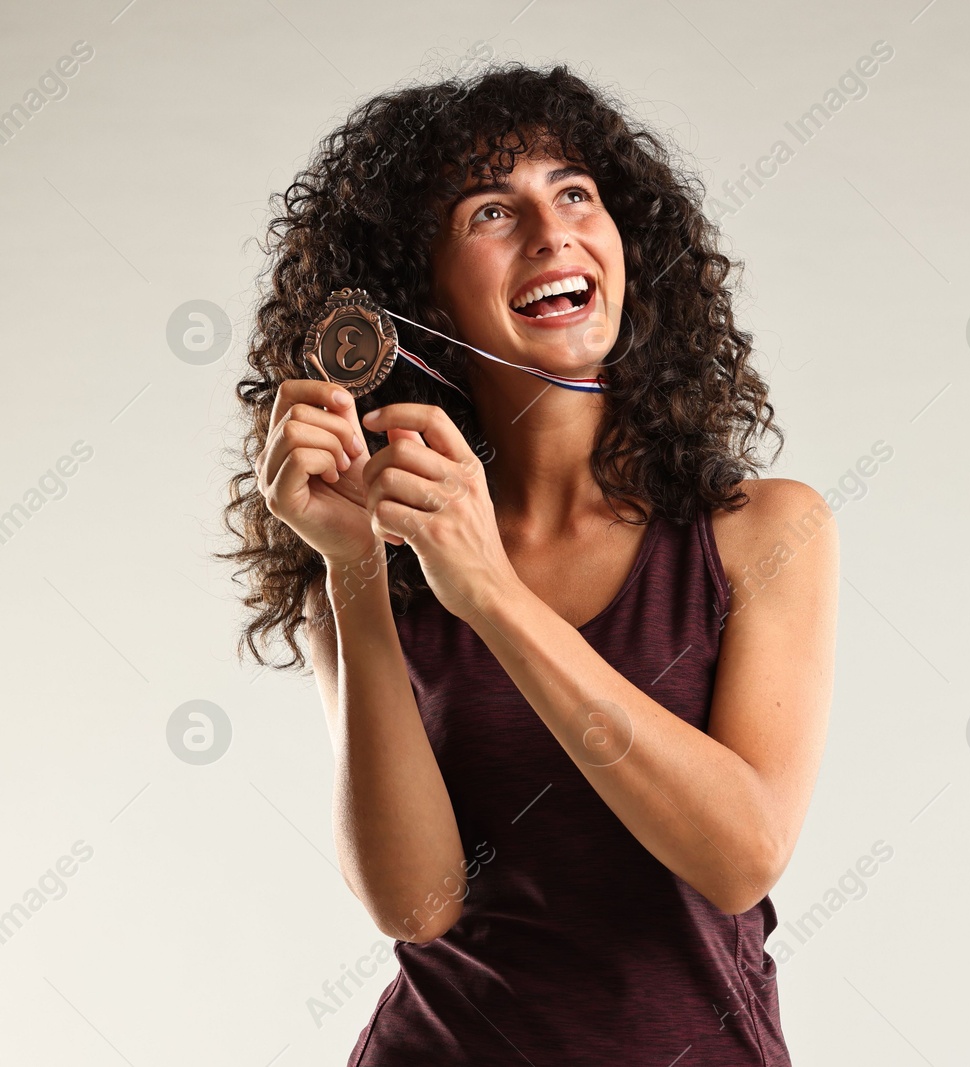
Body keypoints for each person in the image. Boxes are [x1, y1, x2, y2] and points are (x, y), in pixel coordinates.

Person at [218, 62, 837, 1066]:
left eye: (575, 193)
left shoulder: (763, 530)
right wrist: (353, 571)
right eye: (491, 212)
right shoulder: (378, 553)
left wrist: (494, 595)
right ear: (417, 293)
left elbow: (738, 855)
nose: (554, 233)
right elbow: (417, 904)